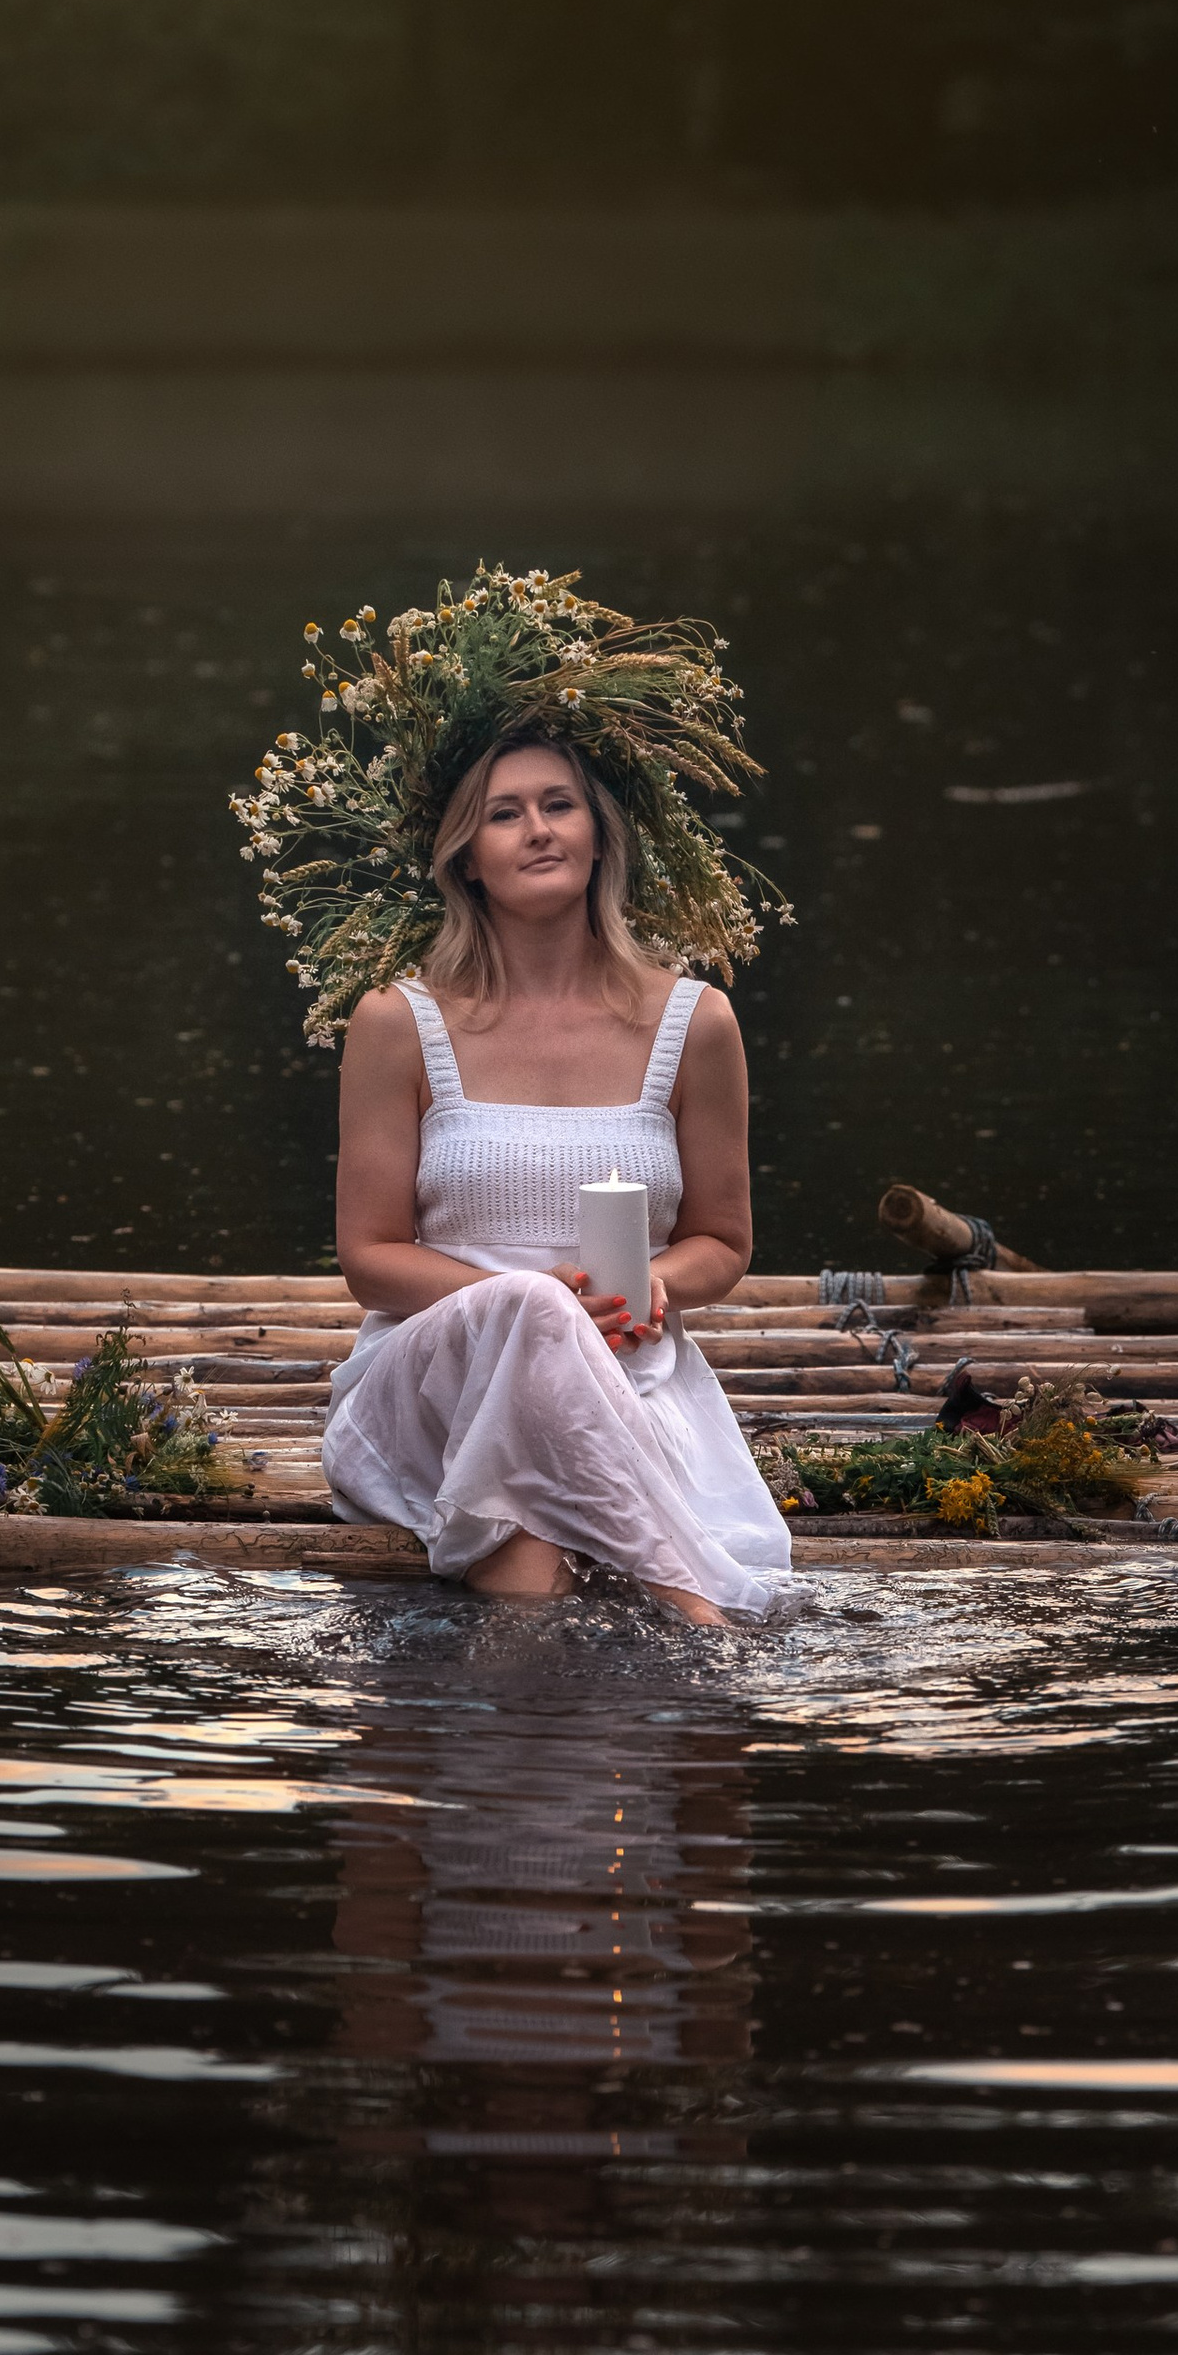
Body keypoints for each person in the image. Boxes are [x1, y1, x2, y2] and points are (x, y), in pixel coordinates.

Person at [232, 568, 800, 1624]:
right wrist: (534, 1311)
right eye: (504, 814)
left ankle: (519, 1723)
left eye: (558, 806)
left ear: (597, 837)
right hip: (428, 1376)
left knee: (531, 1565)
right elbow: (369, 1258)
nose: (537, 829)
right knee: (534, 1307)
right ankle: (697, 1612)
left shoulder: (694, 1023)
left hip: (622, 1377)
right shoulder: (399, 1022)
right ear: (466, 858)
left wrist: (654, 1287)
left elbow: (722, 1239)